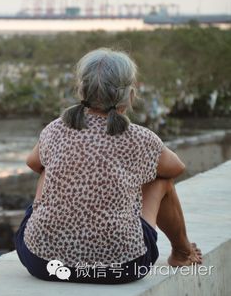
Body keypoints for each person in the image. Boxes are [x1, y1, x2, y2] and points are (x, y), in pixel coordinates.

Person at [14, 48, 202, 284]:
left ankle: (55, 236)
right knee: (160, 178)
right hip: (123, 266)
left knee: (46, 167)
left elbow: (33, 163)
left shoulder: (56, 129)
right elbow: (176, 168)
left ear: (81, 90)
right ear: (130, 95)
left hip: (42, 262)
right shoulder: (140, 138)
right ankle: (182, 252)